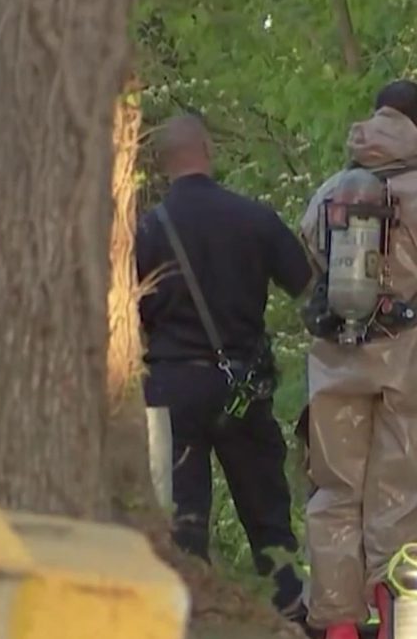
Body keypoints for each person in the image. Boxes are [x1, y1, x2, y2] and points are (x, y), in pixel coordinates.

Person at [298, 81, 417, 639]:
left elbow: (310, 267)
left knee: (334, 492)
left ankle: (337, 625)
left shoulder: (329, 191)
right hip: (409, 360)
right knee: (401, 493)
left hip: (336, 358)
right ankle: (395, 623)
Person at [136, 114, 312, 618]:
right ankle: (287, 609)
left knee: (182, 519)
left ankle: (187, 617)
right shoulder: (254, 218)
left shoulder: (146, 231)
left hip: (172, 385)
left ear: (160, 164)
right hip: (242, 386)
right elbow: (308, 290)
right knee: (267, 514)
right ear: (208, 150)